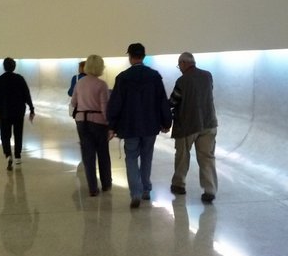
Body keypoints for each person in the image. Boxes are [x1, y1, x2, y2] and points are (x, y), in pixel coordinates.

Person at [107, 43, 172, 208]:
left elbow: (115, 104)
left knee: (131, 158)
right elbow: (162, 101)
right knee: (147, 157)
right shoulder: (154, 76)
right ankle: (146, 190)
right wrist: (166, 122)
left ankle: (135, 193)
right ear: (143, 56)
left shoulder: (122, 78)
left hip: (129, 127)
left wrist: (112, 126)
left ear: (130, 57)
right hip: (150, 126)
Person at [168, 51, 218, 202]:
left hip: (187, 125)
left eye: (179, 65)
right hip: (209, 123)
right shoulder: (208, 76)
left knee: (182, 156)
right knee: (207, 157)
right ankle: (210, 190)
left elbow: (173, 101)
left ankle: (179, 184)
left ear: (184, 63)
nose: (180, 68)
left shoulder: (182, 81)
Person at [71, 54, 112, 196]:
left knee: (88, 156)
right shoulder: (102, 85)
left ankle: (92, 188)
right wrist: (110, 125)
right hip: (98, 122)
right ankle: (106, 184)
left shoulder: (79, 83)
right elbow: (104, 108)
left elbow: (73, 103)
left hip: (81, 121)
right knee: (103, 153)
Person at [0, 57, 35, 170]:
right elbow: (26, 94)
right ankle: (17, 156)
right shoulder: (20, 79)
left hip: (4, 113)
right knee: (18, 134)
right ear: (14, 67)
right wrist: (31, 108)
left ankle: (8, 154)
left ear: (4, 67)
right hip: (18, 112)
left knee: (5, 136)